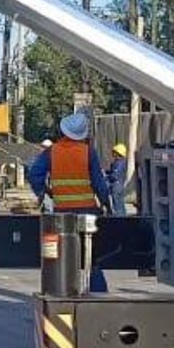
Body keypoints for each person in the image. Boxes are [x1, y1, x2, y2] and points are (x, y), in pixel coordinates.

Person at [27, 112, 111, 292]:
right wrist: (106, 204)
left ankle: (64, 293)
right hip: (88, 213)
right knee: (92, 258)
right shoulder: (88, 152)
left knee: (63, 258)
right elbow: (99, 183)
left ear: (63, 131)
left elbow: (34, 174)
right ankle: (99, 296)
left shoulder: (52, 152)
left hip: (62, 216)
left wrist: (43, 191)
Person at [105, 143, 129, 216]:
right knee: (121, 204)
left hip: (116, 186)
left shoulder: (118, 163)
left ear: (118, 153)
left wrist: (107, 177)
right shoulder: (122, 162)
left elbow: (114, 175)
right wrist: (107, 171)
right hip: (120, 185)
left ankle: (119, 220)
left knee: (117, 205)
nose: (113, 153)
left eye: (114, 152)